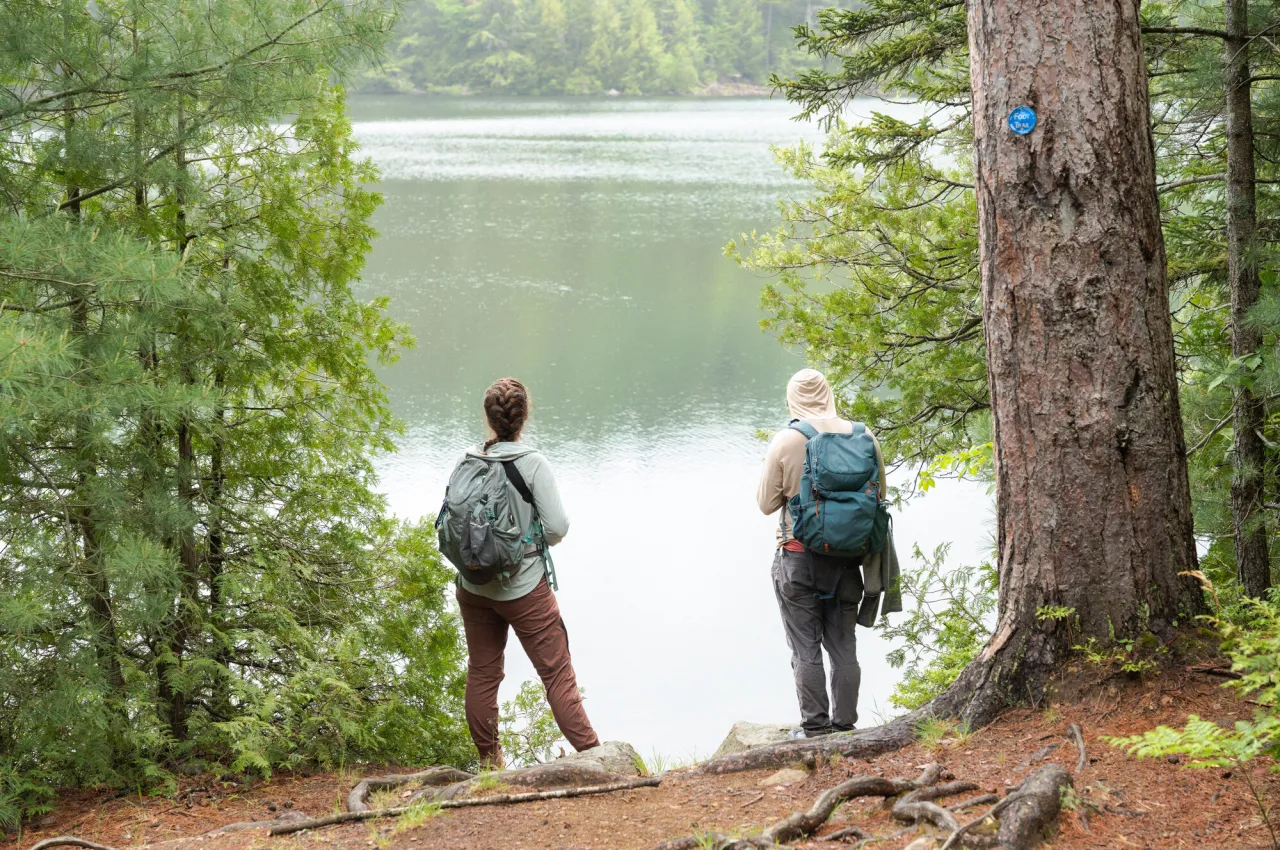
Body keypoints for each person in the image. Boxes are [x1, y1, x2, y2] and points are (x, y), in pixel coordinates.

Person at [451, 378, 599, 768]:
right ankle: (596, 759)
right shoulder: (531, 462)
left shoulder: (468, 459)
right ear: (524, 416)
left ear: (488, 417)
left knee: (483, 672)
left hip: (473, 584)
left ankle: (490, 765)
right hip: (523, 588)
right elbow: (557, 529)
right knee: (556, 674)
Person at [756, 368, 887, 738]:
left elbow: (766, 504)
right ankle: (845, 726)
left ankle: (815, 730)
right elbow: (880, 496)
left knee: (805, 648)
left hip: (798, 560)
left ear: (792, 399)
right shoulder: (865, 437)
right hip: (847, 563)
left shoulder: (786, 440)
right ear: (829, 394)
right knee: (844, 646)